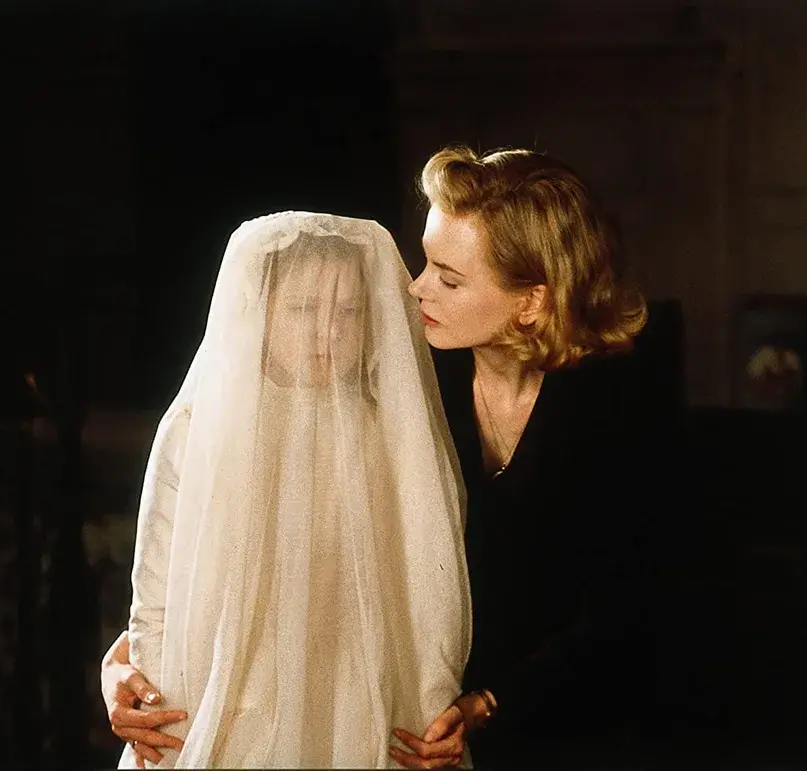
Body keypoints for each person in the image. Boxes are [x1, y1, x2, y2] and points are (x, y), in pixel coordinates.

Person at [103, 147, 663, 768]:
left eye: (449, 278)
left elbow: (635, 610)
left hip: (560, 728)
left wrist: (487, 706)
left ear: (531, 303)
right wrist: (126, 664)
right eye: (425, 262)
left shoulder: (615, 411)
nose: (414, 287)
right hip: (402, 723)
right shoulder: (401, 378)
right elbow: (277, 560)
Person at [112, 211, 472, 768]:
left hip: (357, 697)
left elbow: (429, 579)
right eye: (303, 309)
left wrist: (430, 697)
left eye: (348, 312)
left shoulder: (386, 429)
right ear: (259, 309)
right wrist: (165, 710)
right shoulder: (198, 427)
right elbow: (156, 587)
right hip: (229, 700)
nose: (327, 331)